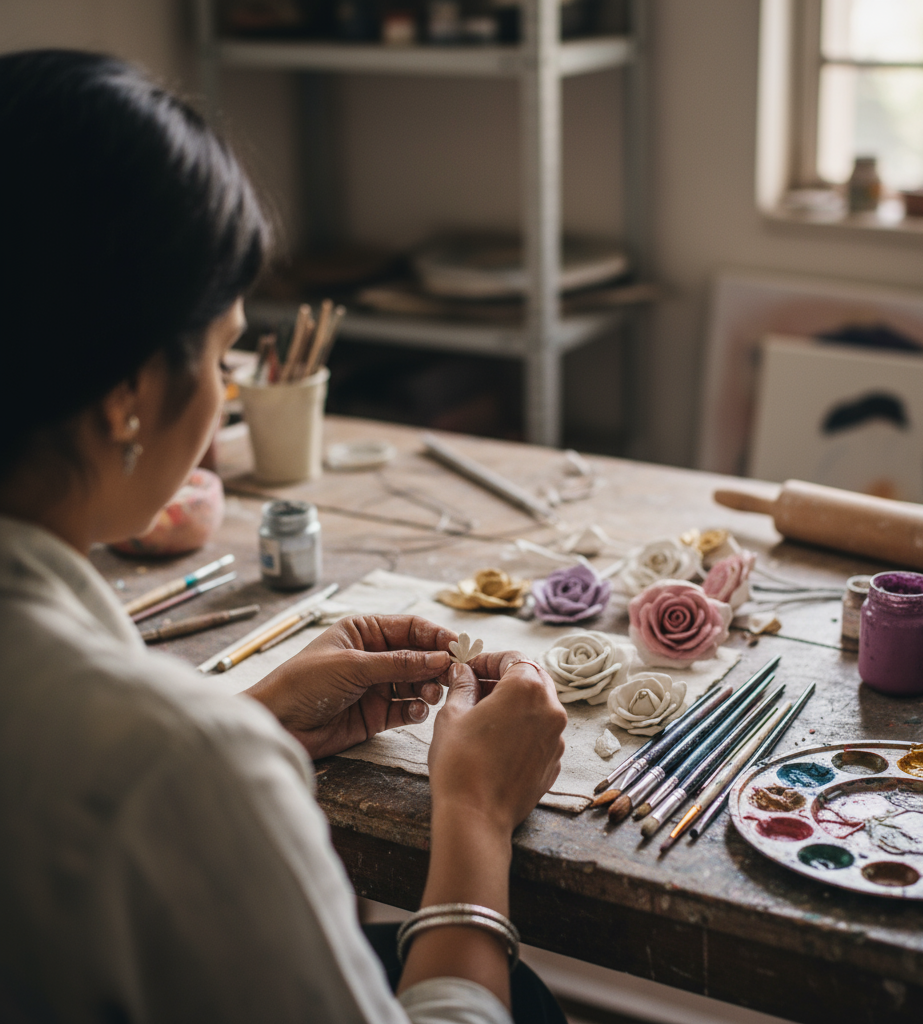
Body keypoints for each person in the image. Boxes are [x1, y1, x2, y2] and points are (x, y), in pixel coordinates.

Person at [0, 50, 568, 1024]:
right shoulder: (179, 764)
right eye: (224, 351)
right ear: (129, 397)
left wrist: (254, 719)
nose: (226, 392)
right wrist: (473, 812)